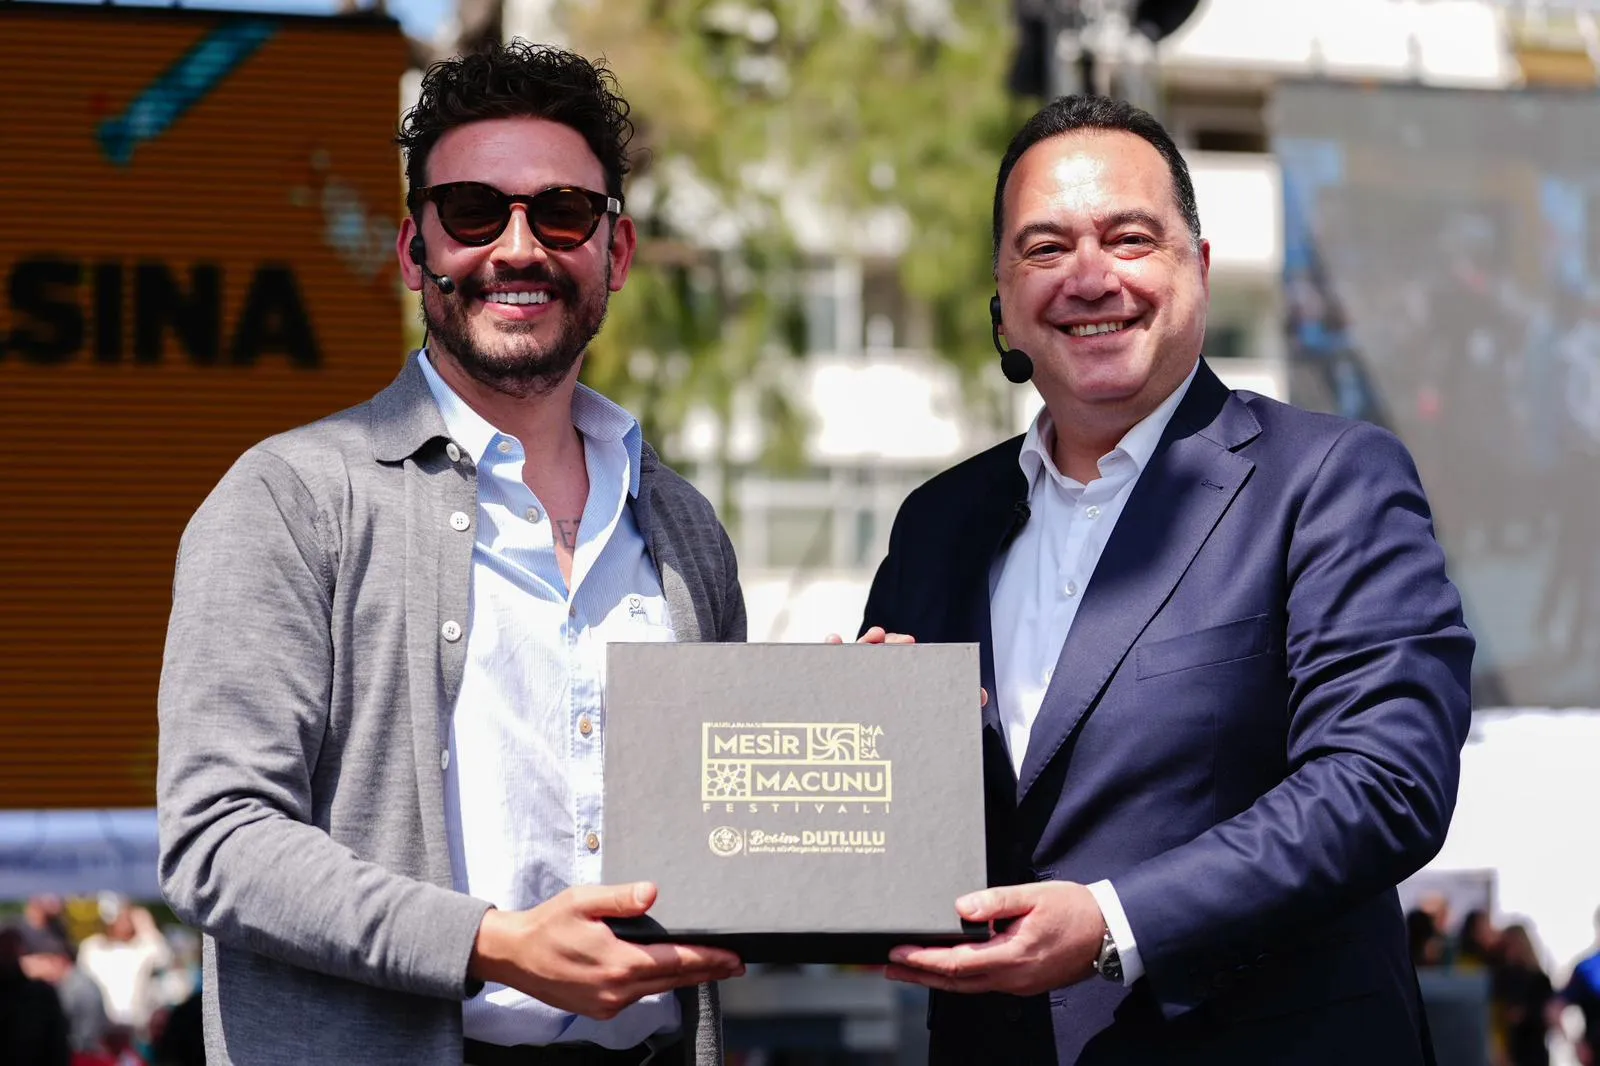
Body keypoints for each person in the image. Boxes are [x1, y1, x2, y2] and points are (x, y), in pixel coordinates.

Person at [157, 42, 745, 1066]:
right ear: (411, 250)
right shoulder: (290, 498)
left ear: (616, 251)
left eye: (562, 213)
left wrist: (846, 742)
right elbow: (218, 838)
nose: (517, 247)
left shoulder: (685, 528)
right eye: (473, 212)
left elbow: (727, 845)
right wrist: (492, 945)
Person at [859, 95, 1474, 1065]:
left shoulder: (1328, 480)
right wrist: (863, 749)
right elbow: (908, 845)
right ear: (1002, 301)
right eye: (1045, 248)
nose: (1089, 276)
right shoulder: (935, 526)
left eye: (1129, 238)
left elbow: (1383, 780)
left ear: (1200, 266)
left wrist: (1113, 920)